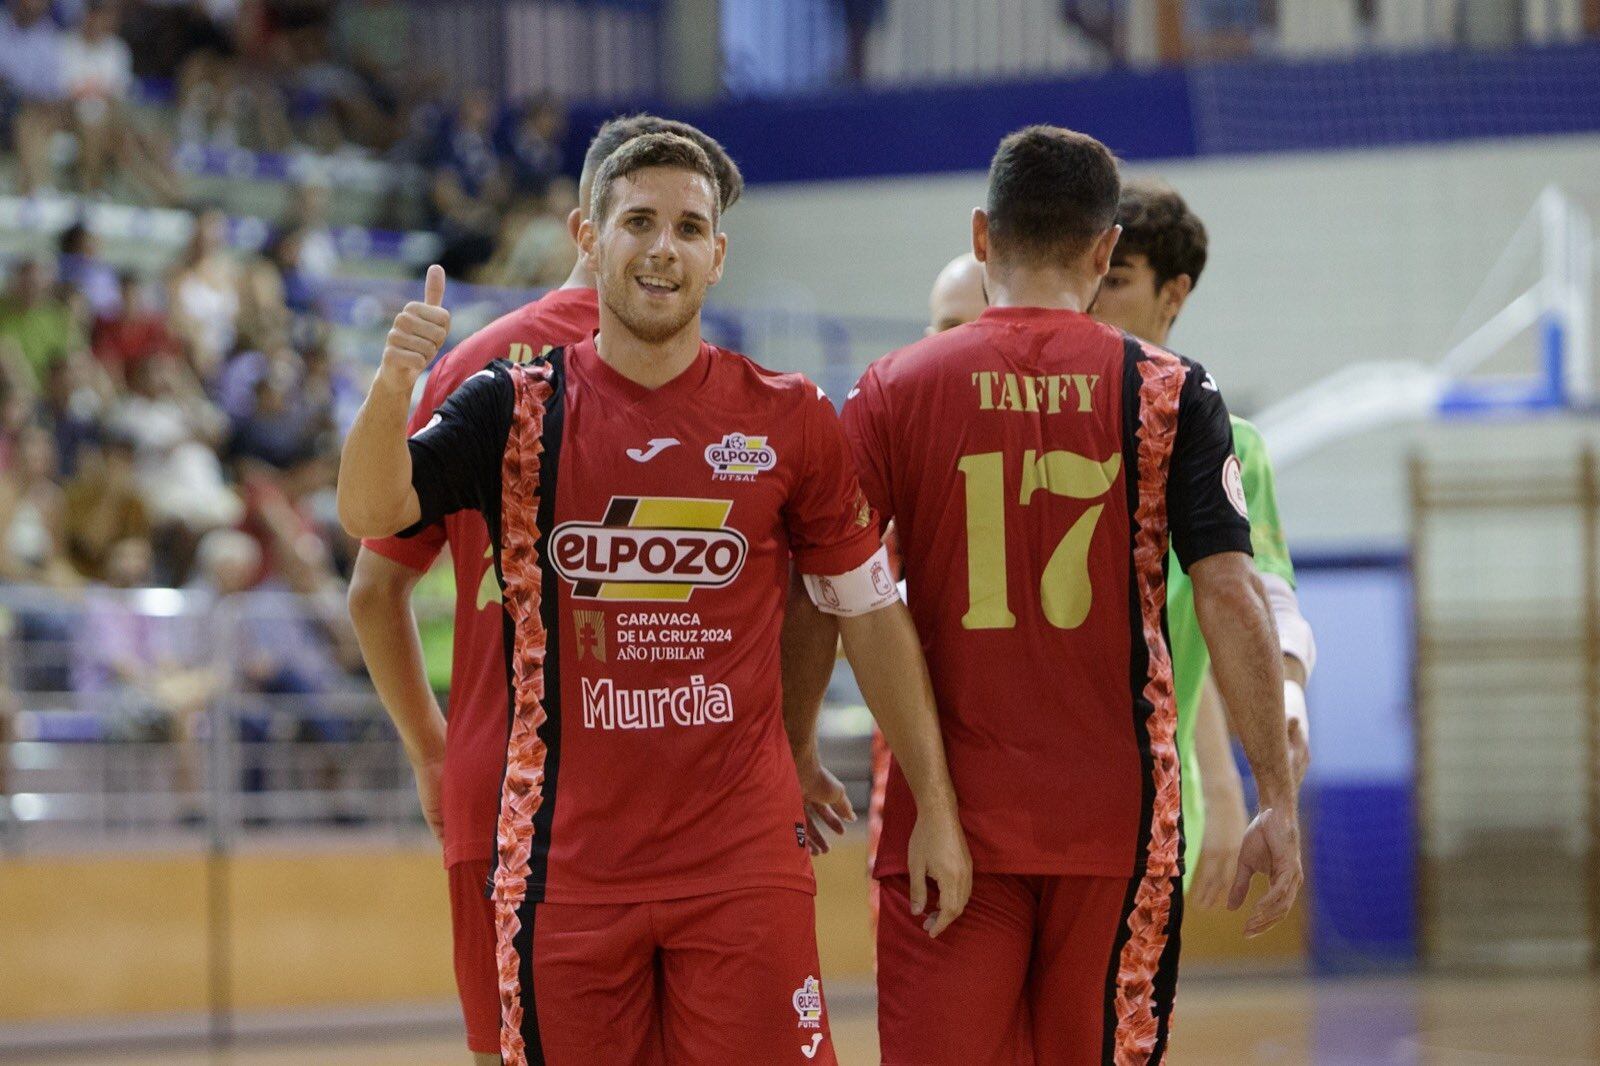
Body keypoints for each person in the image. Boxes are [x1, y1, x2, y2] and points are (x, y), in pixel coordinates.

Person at [340, 131, 971, 1066]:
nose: (662, 248)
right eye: (638, 222)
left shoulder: (789, 415)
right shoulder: (509, 406)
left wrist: (937, 808)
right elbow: (370, 512)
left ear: (718, 254)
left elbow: (867, 612)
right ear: (589, 238)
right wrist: (394, 383)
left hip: (741, 865)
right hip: (562, 872)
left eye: (688, 228)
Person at [833, 125, 1301, 1064]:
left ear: (981, 236)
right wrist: (1275, 795)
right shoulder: (1172, 393)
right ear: (1101, 250)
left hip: (943, 822)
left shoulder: (889, 388)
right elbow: (1230, 594)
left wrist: (790, 752)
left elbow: (830, 586)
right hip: (1117, 829)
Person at [1089, 178, 1317, 909]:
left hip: (1149, 810)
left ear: (1174, 293)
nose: (1091, 297)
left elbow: (1255, 604)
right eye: (1087, 273)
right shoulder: (1028, 421)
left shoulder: (1227, 444)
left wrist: (1284, 699)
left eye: (1116, 280)